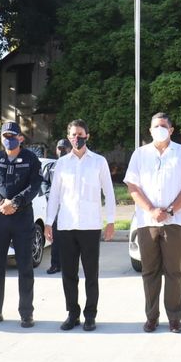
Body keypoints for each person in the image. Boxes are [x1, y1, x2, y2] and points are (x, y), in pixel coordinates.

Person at [124, 112, 181, 333]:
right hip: (147, 223)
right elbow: (133, 188)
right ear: (149, 130)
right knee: (150, 272)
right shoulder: (139, 155)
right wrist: (151, 210)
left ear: (171, 129)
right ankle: (151, 317)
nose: (160, 129)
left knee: (175, 272)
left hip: (175, 222)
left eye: (164, 126)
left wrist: (169, 210)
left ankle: (174, 318)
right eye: (156, 126)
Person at [45, 119, 116, 331]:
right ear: (68, 138)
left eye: (80, 134)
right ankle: (72, 313)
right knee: (69, 274)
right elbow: (55, 195)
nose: (77, 138)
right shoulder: (62, 163)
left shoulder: (99, 162)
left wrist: (110, 221)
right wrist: (49, 222)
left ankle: (90, 315)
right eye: (73, 134)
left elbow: (109, 193)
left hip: (91, 226)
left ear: (87, 135)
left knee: (91, 274)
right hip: (66, 226)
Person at [0, 122, 43, 328]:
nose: (9, 138)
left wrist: (15, 202)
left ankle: (26, 313)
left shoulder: (31, 159)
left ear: (20, 138)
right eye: (5, 135)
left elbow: (35, 185)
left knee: (25, 267)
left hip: (22, 218)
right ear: (1, 138)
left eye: (13, 135)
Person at [42, 138, 72, 275]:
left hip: (71, 208)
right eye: (59, 149)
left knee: (71, 239)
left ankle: (70, 265)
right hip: (56, 209)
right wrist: (51, 195)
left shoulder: (74, 165)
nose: (61, 151)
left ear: (70, 149)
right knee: (56, 239)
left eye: (64, 148)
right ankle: (56, 265)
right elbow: (44, 183)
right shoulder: (51, 167)